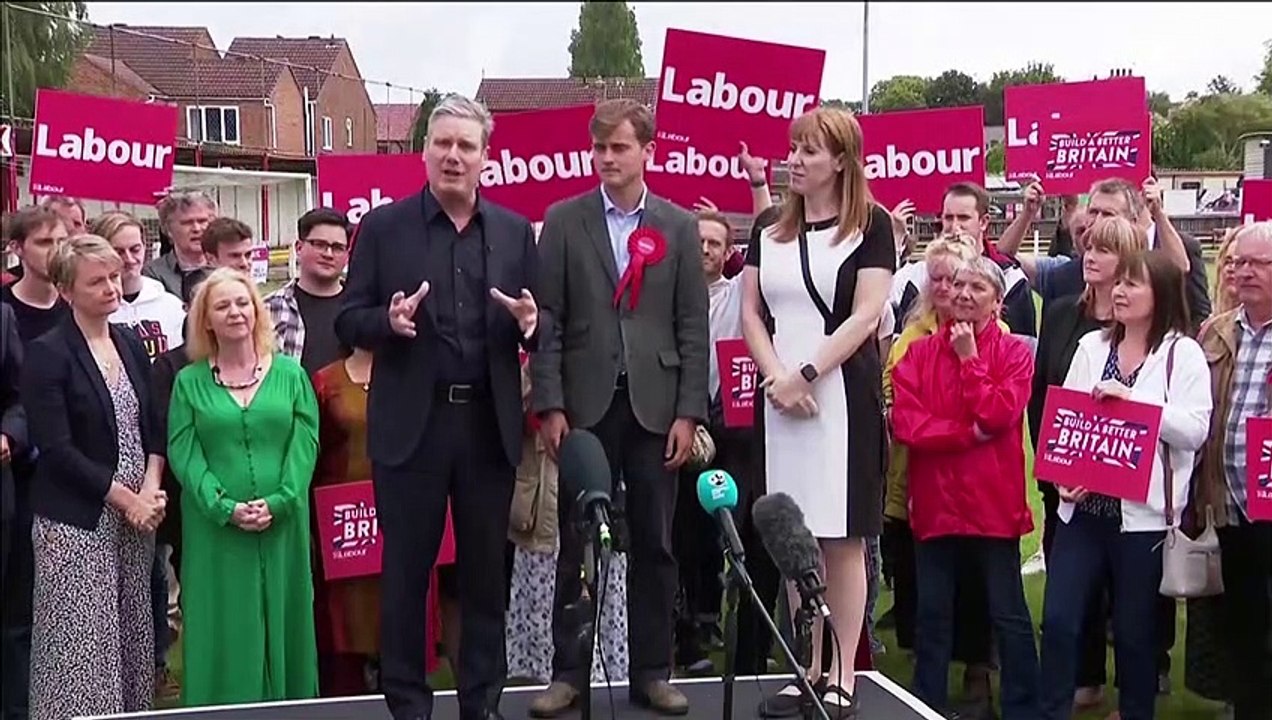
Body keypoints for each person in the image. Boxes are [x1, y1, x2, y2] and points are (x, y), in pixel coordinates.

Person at [335, 94, 541, 720]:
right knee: (406, 576)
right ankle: (407, 705)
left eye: (466, 146)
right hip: (411, 431)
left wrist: (533, 324)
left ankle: (482, 703)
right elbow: (348, 317)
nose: (453, 155)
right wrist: (387, 321)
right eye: (442, 143)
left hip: (487, 426)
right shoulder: (383, 228)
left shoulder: (511, 231)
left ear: (486, 157)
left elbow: (543, 320)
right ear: (423, 150)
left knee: (484, 579)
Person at [529, 98, 708, 718]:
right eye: (600, 149)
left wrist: (690, 411)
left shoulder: (679, 227)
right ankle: (568, 673)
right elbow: (546, 321)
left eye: (619, 148)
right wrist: (549, 403)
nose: (607, 158)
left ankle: (652, 671)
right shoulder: (563, 219)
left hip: (657, 408)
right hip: (584, 406)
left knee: (656, 544)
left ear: (646, 152)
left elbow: (692, 326)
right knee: (578, 543)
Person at [740, 106, 894, 717]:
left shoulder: (871, 226)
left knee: (842, 537)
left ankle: (843, 671)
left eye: (808, 151)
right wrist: (777, 376)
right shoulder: (769, 227)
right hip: (780, 399)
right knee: (794, 538)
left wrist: (808, 373)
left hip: (840, 397)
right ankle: (807, 665)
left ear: (840, 161)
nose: (794, 160)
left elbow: (866, 313)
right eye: (793, 148)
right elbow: (752, 311)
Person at [1039, 249, 1212, 720]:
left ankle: (1137, 712)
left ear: (1160, 294)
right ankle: (1049, 710)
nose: (1118, 292)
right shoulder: (1092, 348)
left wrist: (1134, 402)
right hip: (1083, 514)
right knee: (1058, 621)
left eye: (1132, 284)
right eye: (1118, 284)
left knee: (1135, 634)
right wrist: (1063, 479)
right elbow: (1066, 423)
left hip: (1144, 521)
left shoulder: (1182, 354)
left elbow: (1195, 429)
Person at [21, 234, 167, 719]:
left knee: (131, 636)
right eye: (96, 281)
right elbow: (56, 449)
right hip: (77, 518)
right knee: (82, 647)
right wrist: (126, 499)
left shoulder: (127, 341)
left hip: (137, 516)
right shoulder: (48, 353)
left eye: (113, 277)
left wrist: (150, 485)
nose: (111, 287)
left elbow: (152, 423)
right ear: (66, 291)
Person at [890, 257, 1040, 719]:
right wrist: (963, 435)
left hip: (991, 505)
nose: (964, 294)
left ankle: (1022, 706)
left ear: (997, 300)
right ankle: (927, 703)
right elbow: (906, 424)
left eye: (977, 286)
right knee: (932, 614)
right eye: (957, 285)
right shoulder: (916, 354)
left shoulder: (1014, 353)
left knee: (1007, 612)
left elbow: (998, 413)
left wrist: (970, 360)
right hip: (936, 503)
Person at [167, 268, 320, 705]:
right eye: (222, 306)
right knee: (224, 619)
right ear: (206, 321)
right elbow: (184, 452)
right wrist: (223, 507)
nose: (235, 312)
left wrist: (281, 500)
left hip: (283, 524)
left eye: (243, 303)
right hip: (215, 529)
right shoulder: (188, 383)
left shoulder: (291, 375)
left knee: (286, 616)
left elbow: (304, 445)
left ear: (257, 312)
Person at [1028, 214, 1148, 710]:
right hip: (1074, 494)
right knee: (1063, 612)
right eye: (1087, 248)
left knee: (1132, 620)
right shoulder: (1065, 321)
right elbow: (1047, 401)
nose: (1089, 258)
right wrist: (1056, 469)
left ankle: (1135, 697)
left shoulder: (1167, 343)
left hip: (1137, 509)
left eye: (1102, 250)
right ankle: (1069, 691)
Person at [310, 344, 455, 695]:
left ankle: (407, 694)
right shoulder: (324, 382)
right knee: (347, 620)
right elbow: (315, 450)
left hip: (406, 510)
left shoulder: (419, 375)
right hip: (346, 521)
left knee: (405, 607)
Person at [880, 238, 983, 655]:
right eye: (935, 278)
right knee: (921, 580)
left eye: (953, 278)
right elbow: (897, 402)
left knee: (974, 582)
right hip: (915, 479)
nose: (944, 288)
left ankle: (975, 664)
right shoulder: (911, 337)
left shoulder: (997, 336)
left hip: (977, 487)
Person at [505, 355, 630, 685]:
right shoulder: (535, 336)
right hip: (543, 489)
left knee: (606, 570)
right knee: (547, 578)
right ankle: (549, 678)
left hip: (601, 472)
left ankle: (606, 674)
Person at [1194, 221, 1272, 720]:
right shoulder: (1217, 330)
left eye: (1257, 264)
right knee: (1243, 615)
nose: (1243, 272)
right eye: (1237, 262)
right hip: (1234, 502)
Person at [0, 207, 69, 720]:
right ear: (18, 249)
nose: (54, 250)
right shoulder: (6, 311)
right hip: (16, 477)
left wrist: (11, 433)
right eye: (43, 241)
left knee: (27, 608)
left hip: (52, 479)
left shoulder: (76, 311)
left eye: (60, 239)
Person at [264, 208, 350, 375]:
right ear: (299, 247)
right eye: (320, 244)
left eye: (338, 247)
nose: (328, 254)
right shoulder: (268, 309)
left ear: (348, 254)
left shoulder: (362, 308)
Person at [95, 212, 187, 360]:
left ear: (145, 247)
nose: (129, 259)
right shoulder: (91, 309)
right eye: (118, 252)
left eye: (135, 249)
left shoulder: (171, 306)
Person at [144, 190, 217, 303]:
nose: (196, 229)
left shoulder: (226, 266)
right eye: (187, 223)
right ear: (168, 230)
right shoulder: (153, 273)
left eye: (202, 221)